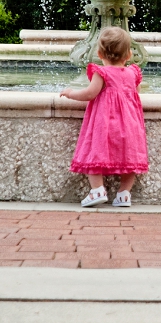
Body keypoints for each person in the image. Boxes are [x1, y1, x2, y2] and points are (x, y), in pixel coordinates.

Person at [60, 27, 148, 207]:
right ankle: (124, 194)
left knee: (95, 151)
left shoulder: (101, 72)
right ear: (129, 54)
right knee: (130, 157)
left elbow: (89, 93)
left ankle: (97, 190)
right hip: (130, 123)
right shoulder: (133, 73)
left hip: (104, 123)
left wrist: (70, 93)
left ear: (99, 53)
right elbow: (136, 92)